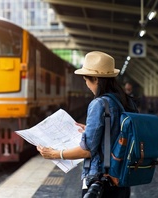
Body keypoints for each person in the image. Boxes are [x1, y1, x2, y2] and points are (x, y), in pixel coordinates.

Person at [37, 51, 138, 198]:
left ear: (96, 79)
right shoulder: (126, 101)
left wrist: (55, 154)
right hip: (122, 177)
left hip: (102, 180)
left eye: (86, 79)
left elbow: (88, 150)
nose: (86, 84)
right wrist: (91, 130)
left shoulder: (99, 103)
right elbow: (119, 131)